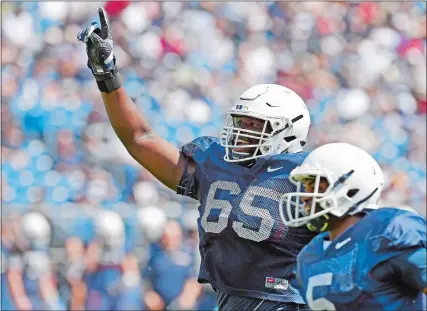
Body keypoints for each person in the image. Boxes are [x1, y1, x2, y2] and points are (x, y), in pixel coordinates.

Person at [77, 8, 316, 310]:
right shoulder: (215, 164)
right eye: (240, 123)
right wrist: (107, 74)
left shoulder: (307, 176)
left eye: (254, 126)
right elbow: (139, 139)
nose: (242, 132)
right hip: (228, 301)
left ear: (288, 131)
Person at [279, 143, 427, 311]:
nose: (306, 197)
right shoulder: (310, 255)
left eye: (316, 187)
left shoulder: (387, 234)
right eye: (306, 187)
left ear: (351, 190)